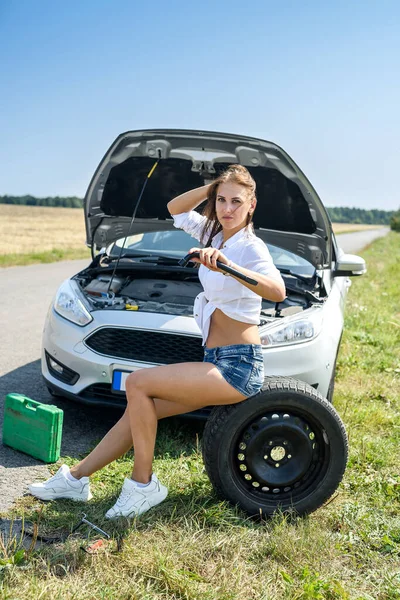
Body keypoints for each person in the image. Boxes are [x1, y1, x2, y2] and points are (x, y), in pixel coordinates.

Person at [28, 164, 286, 519]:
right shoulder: (214, 235)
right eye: (222, 200)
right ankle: (75, 479)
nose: (227, 209)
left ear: (252, 204)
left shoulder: (249, 248)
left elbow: (277, 290)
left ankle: (143, 484)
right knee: (136, 412)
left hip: (238, 366)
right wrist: (213, 186)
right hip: (215, 358)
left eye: (236, 202)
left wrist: (226, 266)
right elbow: (175, 209)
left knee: (137, 384)